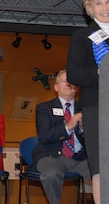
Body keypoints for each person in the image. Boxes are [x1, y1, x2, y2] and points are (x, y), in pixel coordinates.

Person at [66, 0, 109, 204]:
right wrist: (102, 71)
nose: (104, 8)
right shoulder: (81, 37)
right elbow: (74, 75)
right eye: (98, 3)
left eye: (108, 2)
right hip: (96, 107)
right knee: (100, 166)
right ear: (90, 8)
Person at [33, 70, 90, 204]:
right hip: (52, 156)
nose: (69, 83)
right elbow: (44, 137)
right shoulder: (44, 108)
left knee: (103, 172)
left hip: (80, 158)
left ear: (77, 88)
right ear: (56, 87)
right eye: (65, 81)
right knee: (51, 174)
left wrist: (82, 128)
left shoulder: (85, 109)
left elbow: (94, 139)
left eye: (72, 81)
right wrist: (68, 126)